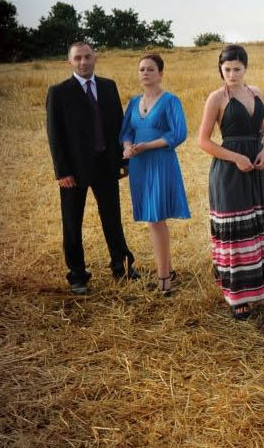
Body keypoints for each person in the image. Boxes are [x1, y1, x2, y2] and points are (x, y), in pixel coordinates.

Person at [198, 45, 264, 319]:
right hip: (230, 171)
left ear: (246, 68)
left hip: (256, 167)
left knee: (261, 223)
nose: (232, 74)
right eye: (227, 69)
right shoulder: (216, 98)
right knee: (237, 232)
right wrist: (236, 158)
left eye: (237, 69)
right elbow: (203, 141)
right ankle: (238, 295)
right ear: (221, 69)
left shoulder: (255, 92)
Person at [46, 42, 136, 295]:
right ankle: (77, 275)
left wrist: (123, 161)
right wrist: (62, 172)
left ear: (95, 58)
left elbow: (118, 125)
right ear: (70, 62)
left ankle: (121, 265)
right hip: (74, 171)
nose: (83, 62)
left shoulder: (108, 86)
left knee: (112, 218)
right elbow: (55, 135)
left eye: (87, 57)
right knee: (72, 222)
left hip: (106, 165)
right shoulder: (59, 92)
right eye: (78, 58)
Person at [119, 54, 191, 294]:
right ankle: (168, 269)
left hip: (160, 162)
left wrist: (148, 146)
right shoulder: (133, 102)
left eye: (150, 69)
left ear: (161, 74)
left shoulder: (170, 101)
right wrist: (127, 147)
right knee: (153, 217)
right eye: (141, 69)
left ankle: (164, 279)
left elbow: (178, 133)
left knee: (155, 218)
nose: (145, 73)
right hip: (139, 165)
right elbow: (126, 131)